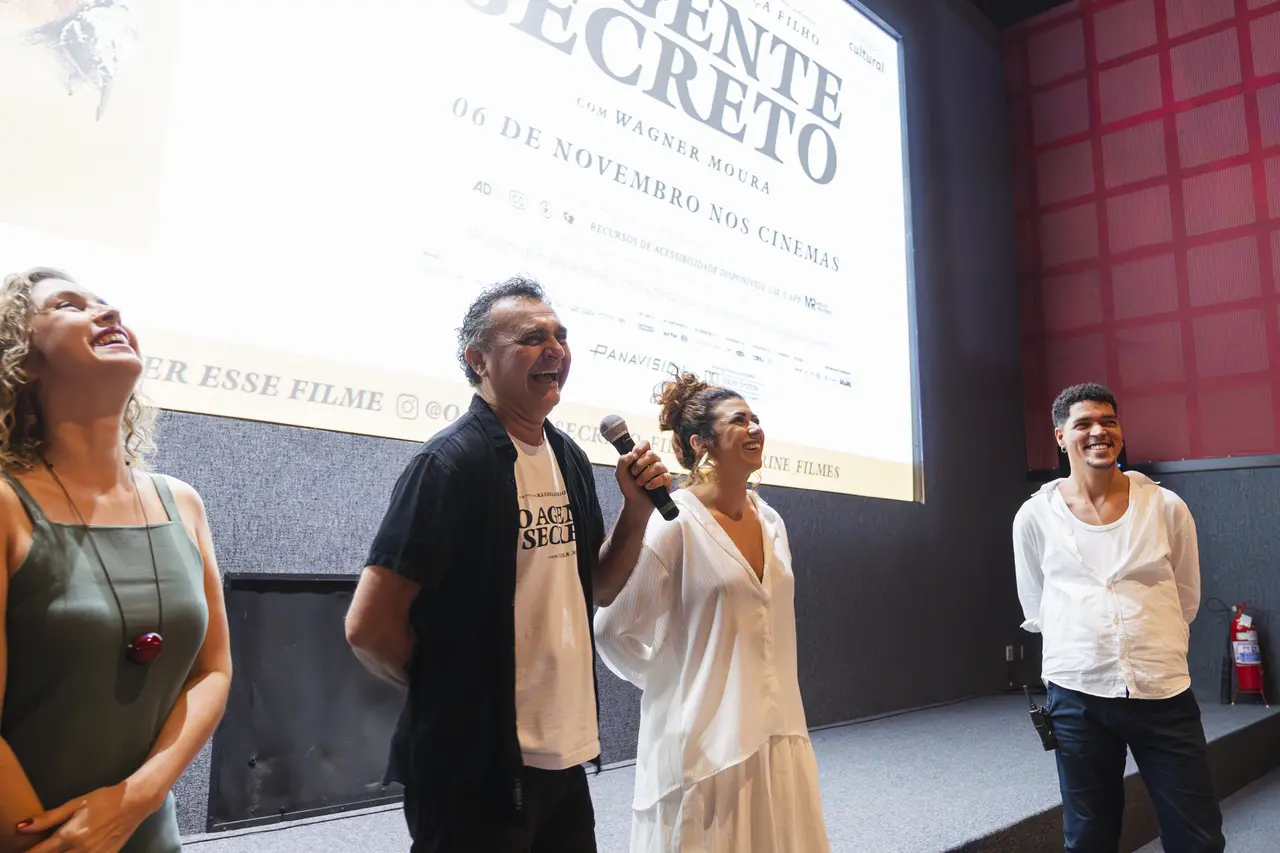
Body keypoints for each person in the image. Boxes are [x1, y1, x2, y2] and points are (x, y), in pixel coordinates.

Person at [345, 276, 671, 853]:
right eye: (531, 337)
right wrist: (452, 696)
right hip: (475, 766)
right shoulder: (448, 464)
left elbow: (596, 586)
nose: (556, 349)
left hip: (565, 754)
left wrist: (636, 511)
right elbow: (369, 626)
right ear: (478, 360)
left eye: (561, 336)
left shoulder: (566, 455)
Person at [0, 267, 232, 853]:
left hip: (145, 828)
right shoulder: (6, 503)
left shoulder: (182, 502)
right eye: (69, 305)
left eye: (107, 303)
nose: (108, 312)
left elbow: (213, 672)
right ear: (21, 362)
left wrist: (135, 801)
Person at [593, 372, 830, 853]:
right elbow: (611, 629)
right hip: (705, 744)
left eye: (757, 418)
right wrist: (673, 675)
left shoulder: (771, 520)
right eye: (739, 420)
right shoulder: (672, 525)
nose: (754, 428)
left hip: (777, 731)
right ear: (700, 443)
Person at [1014, 382, 1225, 853]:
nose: (1098, 432)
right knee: (1088, 837)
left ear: (1121, 433)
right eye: (1084, 423)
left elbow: (1186, 596)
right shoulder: (1034, 517)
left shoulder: (1166, 506)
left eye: (1108, 422)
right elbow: (1037, 605)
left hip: (1162, 690)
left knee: (1198, 835)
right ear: (1060, 437)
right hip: (1077, 694)